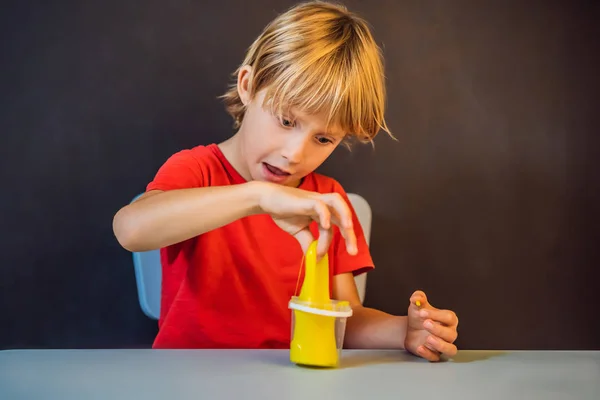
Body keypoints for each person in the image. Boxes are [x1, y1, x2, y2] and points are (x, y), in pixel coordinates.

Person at [113, 0, 458, 361]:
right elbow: (131, 230)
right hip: (188, 376)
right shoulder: (196, 170)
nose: (295, 154)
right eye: (286, 120)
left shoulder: (328, 201)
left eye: (323, 139)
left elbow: (345, 320)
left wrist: (405, 330)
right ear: (248, 86)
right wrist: (257, 197)